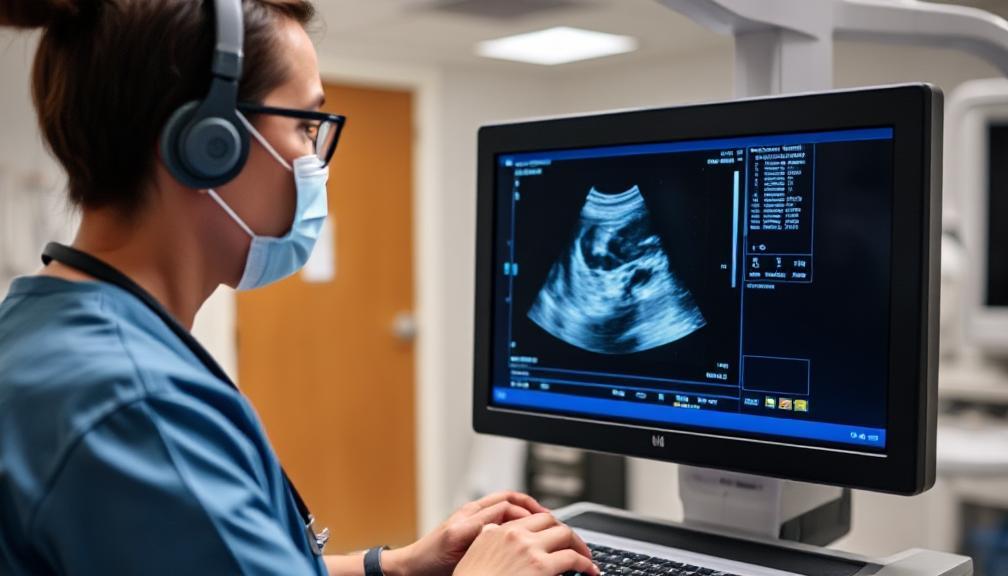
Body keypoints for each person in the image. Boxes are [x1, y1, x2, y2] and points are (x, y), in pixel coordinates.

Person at [0, 1, 601, 575]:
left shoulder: (48, 330)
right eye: (306, 126)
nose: (315, 161)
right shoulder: (136, 405)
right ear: (208, 146)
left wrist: (393, 565)